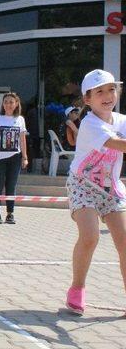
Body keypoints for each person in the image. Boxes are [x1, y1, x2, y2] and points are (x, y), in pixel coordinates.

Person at [65, 69, 126, 315]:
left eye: (111, 89)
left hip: (111, 188)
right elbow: (119, 145)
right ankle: (77, 289)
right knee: (90, 237)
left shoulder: (122, 120)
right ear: (87, 99)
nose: (107, 95)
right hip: (82, 184)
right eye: (99, 91)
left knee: (124, 242)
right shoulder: (90, 124)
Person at [0, 92, 28, 224]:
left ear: (16, 104)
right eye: (6, 102)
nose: (8, 105)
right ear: (3, 105)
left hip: (15, 157)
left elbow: (22, 140)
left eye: (11, 102)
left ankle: (10, 213)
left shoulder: (20, 119)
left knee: (11, 186)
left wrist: (24, 157)